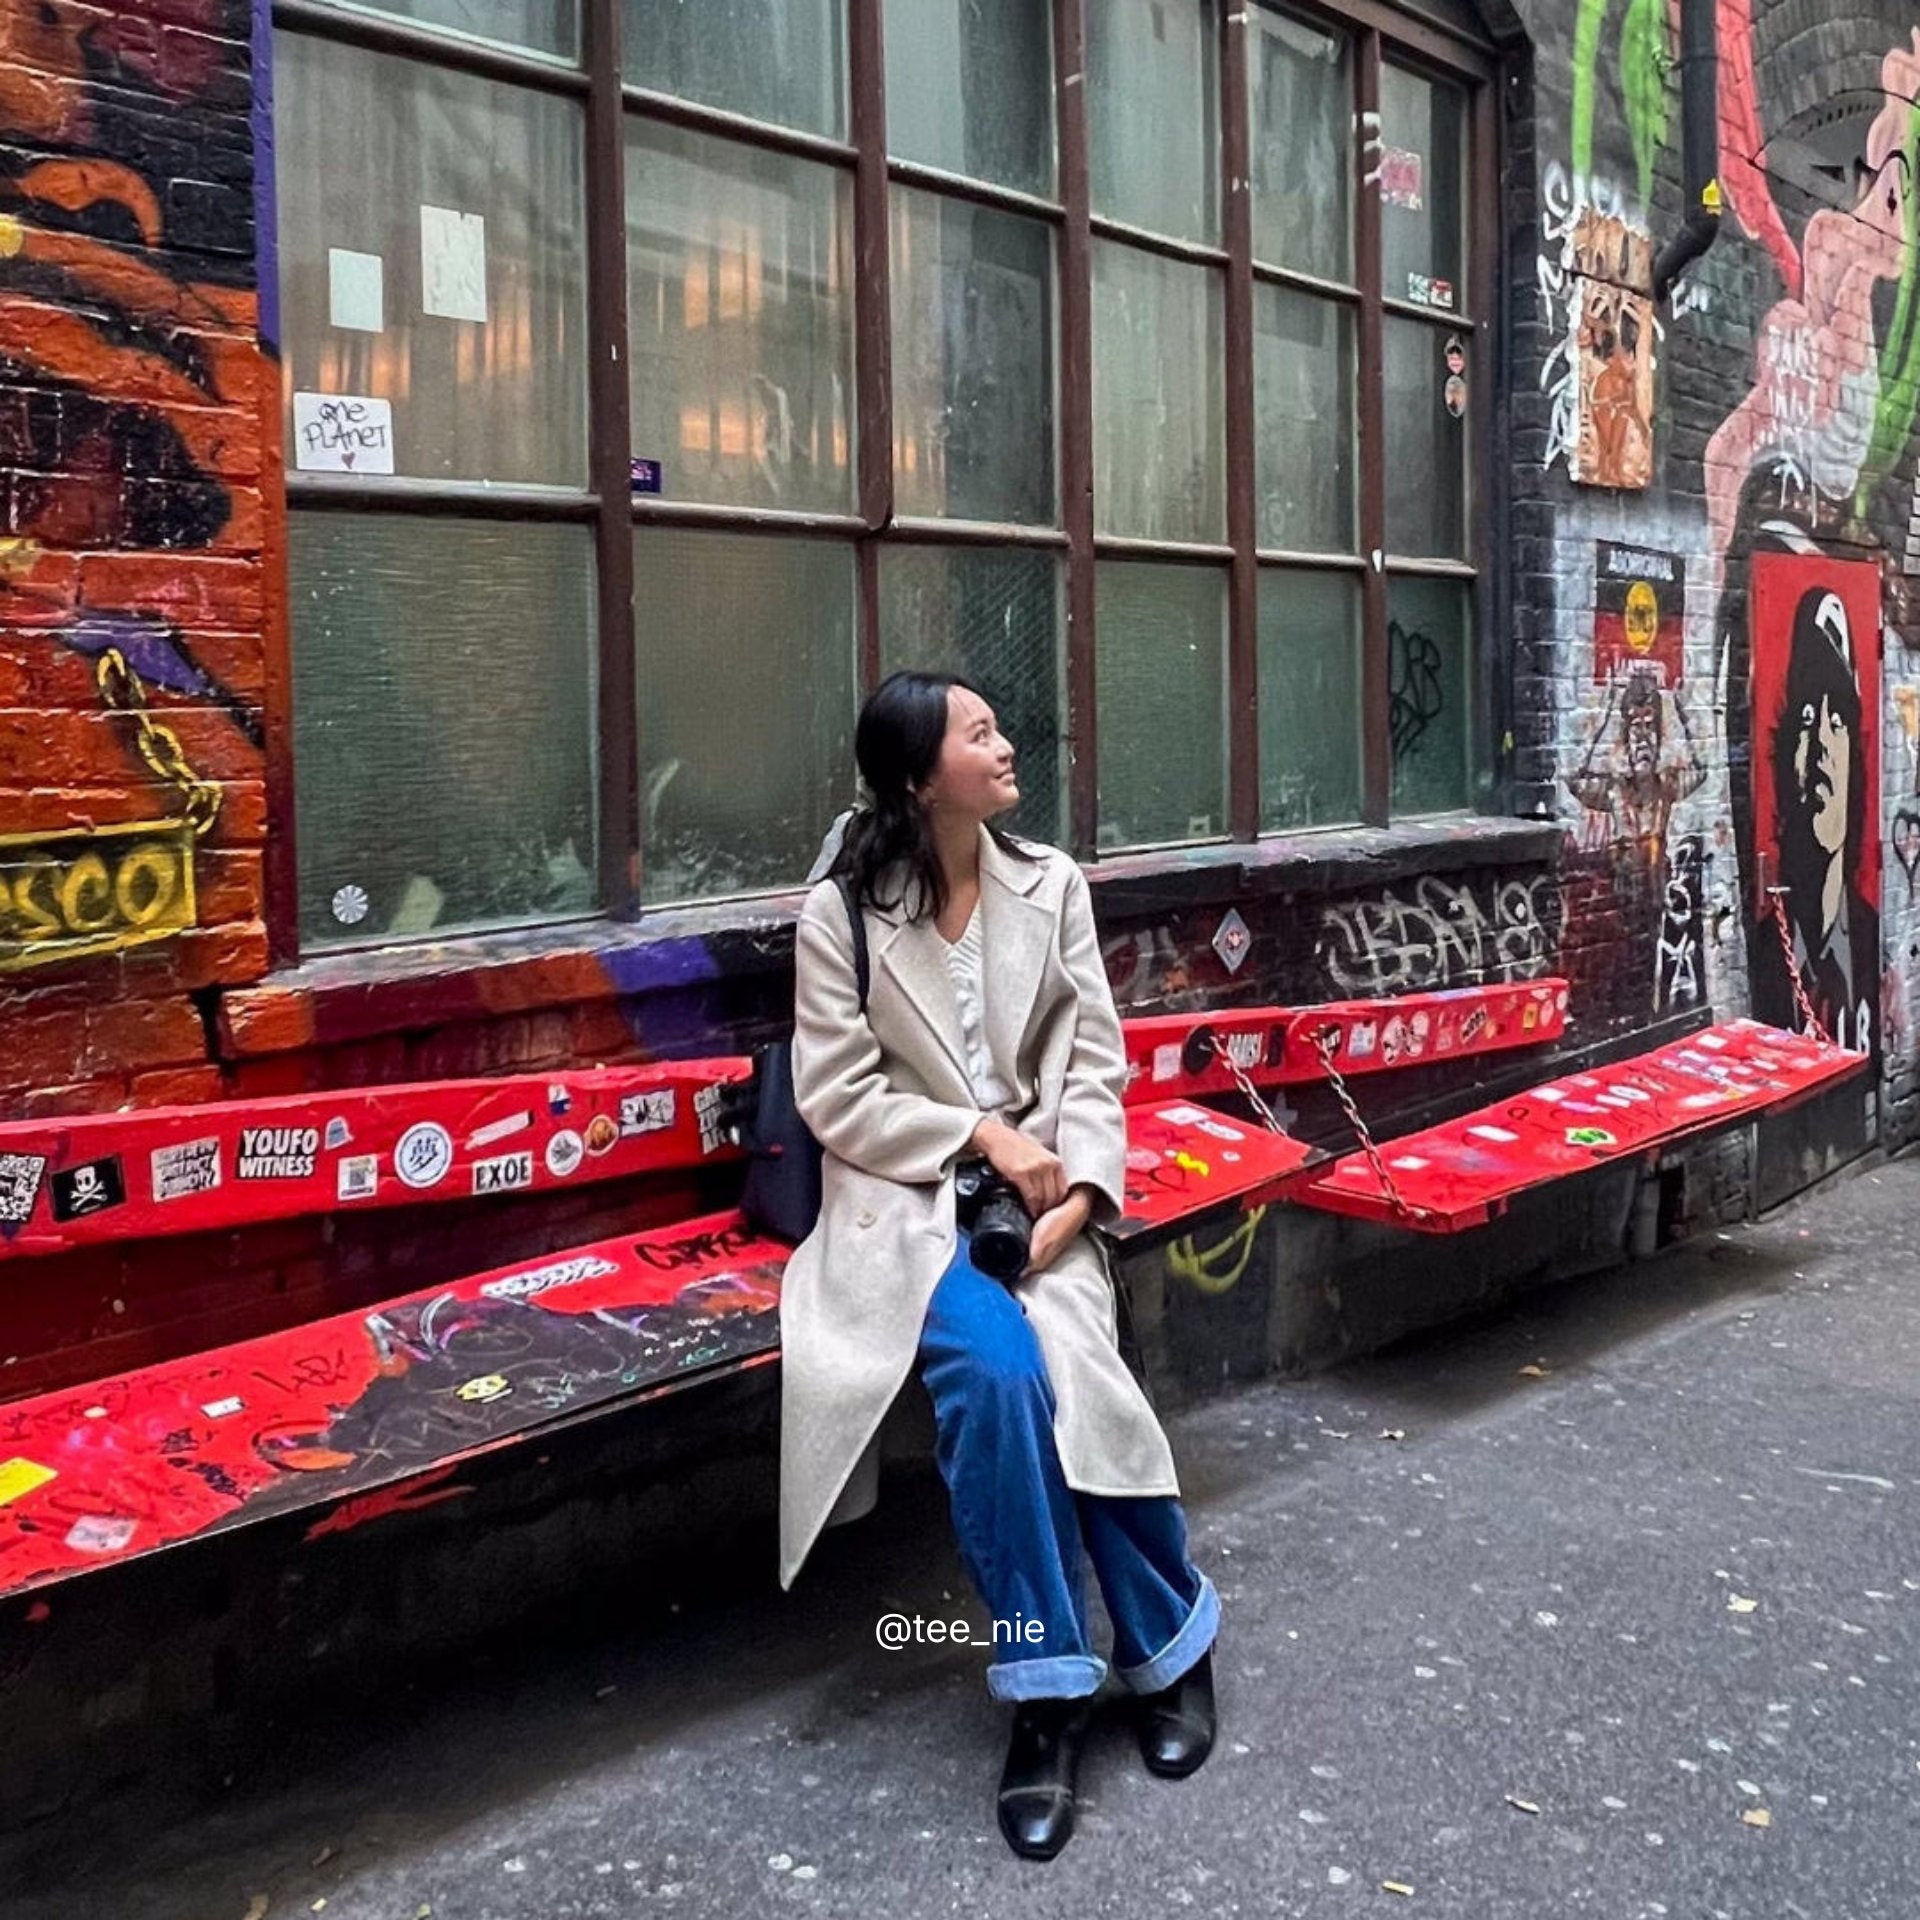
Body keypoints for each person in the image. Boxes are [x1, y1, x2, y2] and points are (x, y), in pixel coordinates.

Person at [776, 669, 1220, 1861]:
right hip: (906, 1211)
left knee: (1072, 1371)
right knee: (994, 1373)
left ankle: (1170, 1641)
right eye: (979, 734)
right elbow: (837, 1098)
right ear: (921, 776)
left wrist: (1081, 1193)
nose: (1006, 744)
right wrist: (975, 1132)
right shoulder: (844, 914)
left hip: (1046, 1203)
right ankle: (1049, 1691)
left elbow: (1094, 1069)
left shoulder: (1051, 885)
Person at [1750, 583, 1879, 1060]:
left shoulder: (1869, 936)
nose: (1823, 743)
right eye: (1807, 717)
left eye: (1839, 721)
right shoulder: (1766, 950)